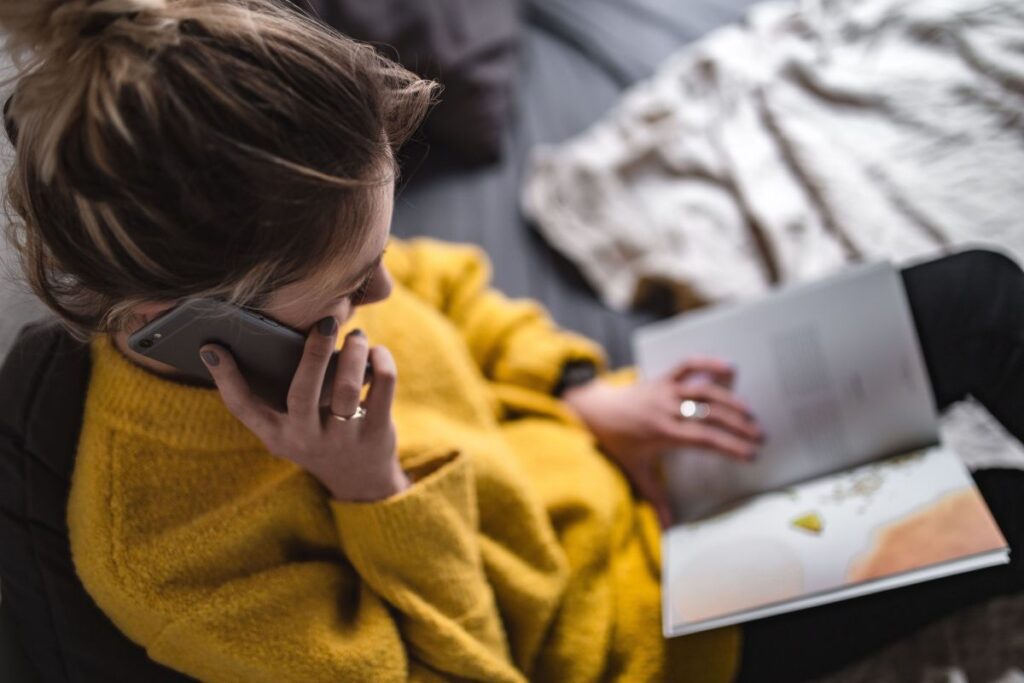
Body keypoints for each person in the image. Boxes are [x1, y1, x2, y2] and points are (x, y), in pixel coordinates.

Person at [0, 1, 1020, 682]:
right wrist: (376, 492)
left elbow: (450, 283)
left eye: (379, 246)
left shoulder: (306, 280)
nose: (387, 290)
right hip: (649, 617)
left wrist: (581, 390)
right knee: (1005, 511)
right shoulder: (167, 557)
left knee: (981, 292)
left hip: (626, 442)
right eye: (346, 293)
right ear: (177, 325)